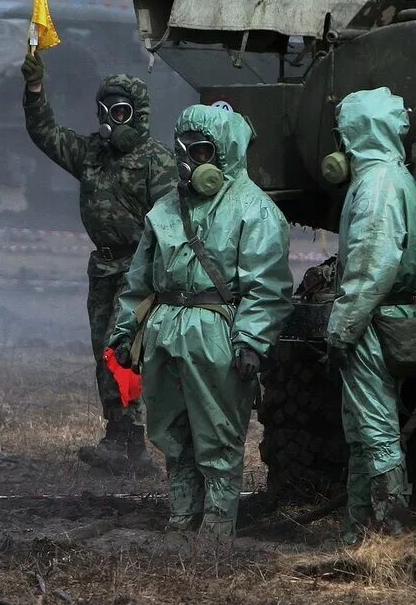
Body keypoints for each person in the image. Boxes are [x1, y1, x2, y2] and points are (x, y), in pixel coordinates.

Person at [109, 104, 294, 535]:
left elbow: (267, 287)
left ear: (225, 152)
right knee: (172, 432)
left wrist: (251, 341)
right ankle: (181, 517)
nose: (190, 160)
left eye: (202, 150)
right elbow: (139, 281)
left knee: (218, 434)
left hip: (217, 333)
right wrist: (126, 331)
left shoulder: (254, 210)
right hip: (165, 326)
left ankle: (216, 529)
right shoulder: (166, 210)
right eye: (184, 150)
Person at [22, 52, 177, 474]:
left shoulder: (156, 161)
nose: (112, 122)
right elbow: (45, 133)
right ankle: (122, 440)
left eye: (122, 112)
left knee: (121, 351)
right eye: (106, 112)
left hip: (137, 270)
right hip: (103, 269)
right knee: (103, 353)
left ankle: (131, 439)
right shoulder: (92, 153)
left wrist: (159, 276)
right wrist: (34, 89)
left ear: (139, 114)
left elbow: (171, 225)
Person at [325, 87, 416, 543]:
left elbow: (371, 264)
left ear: (355, 133)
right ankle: (358, 530)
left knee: (375, 429)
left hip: (373, 321)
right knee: (362, 430)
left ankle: (388, 537)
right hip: (390, 315)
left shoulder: (376, 186)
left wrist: (341, 327)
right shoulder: (395, 176)